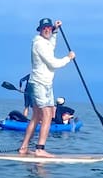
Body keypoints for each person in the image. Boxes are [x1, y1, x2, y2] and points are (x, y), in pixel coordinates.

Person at [17, 17, 75, 157]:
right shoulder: (40, 44)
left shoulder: (46, 42)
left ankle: (24, 148)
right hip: (40, 84)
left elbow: (52, 45)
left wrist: (56, 31)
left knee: (36, 116)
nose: (47, 30)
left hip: (43, 84)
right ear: (40, 30)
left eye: (49, 28)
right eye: (45, 28)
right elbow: (53, 64)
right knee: (47, 115)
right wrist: (68, 58)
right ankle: (39, 149)